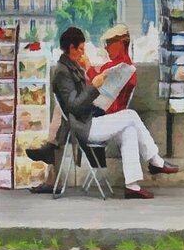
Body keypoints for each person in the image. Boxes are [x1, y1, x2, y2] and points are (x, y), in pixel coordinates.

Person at [54, 27, 178, 199]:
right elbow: (74, 106)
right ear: (72, 49)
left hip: (91, 119)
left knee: (130, 130)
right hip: (85, 126)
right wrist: (94, 86)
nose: (84, 54)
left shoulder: (72, 68)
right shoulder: (62, 72)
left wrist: (91, 80)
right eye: (81, 49)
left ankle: (132, 186)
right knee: (131, 115)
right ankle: (155, 160)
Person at [26, 25, 137, 192]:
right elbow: (82, 98)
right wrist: (91, 80)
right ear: (72, 48)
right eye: (81, 49)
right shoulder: (69, 71)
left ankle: (51, 148)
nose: (106, 48)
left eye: (109, 44)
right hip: (91, 117)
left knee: (62, 109)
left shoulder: (82, 68)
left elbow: (90, 95)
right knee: (64, 108)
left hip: (95, 116)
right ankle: (152, 164)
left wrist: (90, 73)